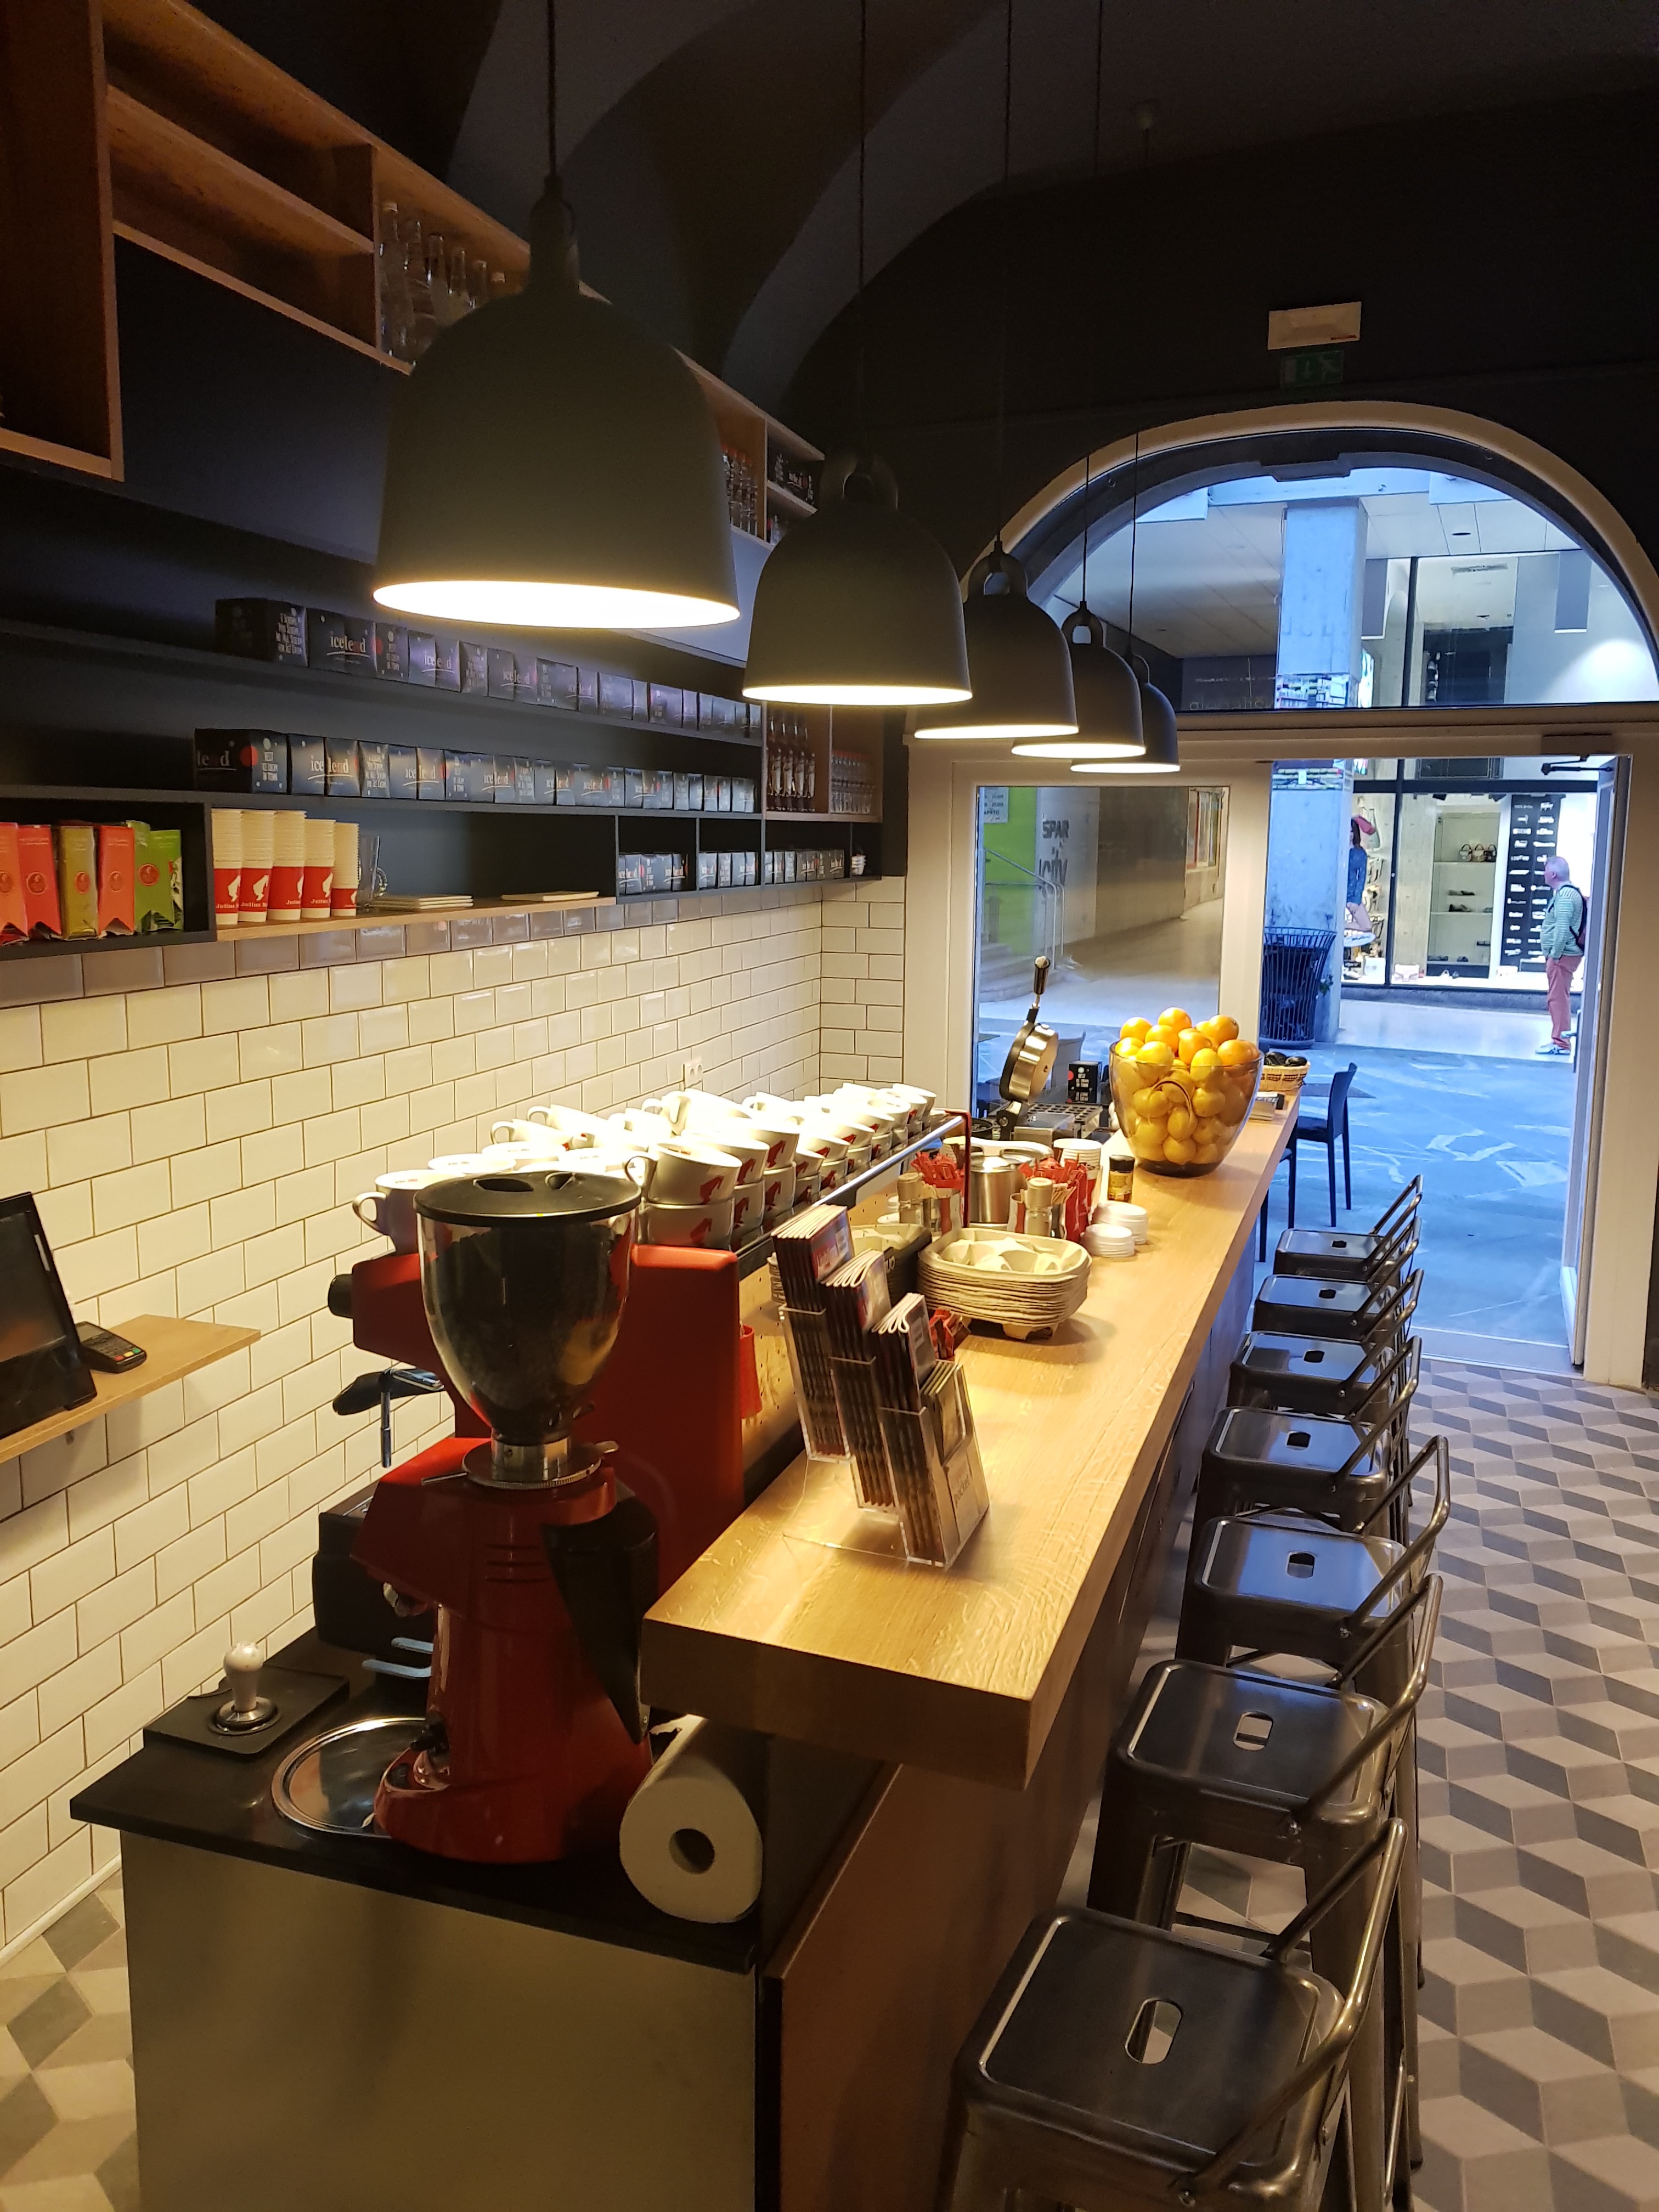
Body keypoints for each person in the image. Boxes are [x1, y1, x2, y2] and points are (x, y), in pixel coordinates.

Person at [1537, 854, 1587, 1057]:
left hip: (1562, 957)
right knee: (1559, 998)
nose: (1543, 874)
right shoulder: (1568, 893)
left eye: (1545, 870)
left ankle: (1561, 1043)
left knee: (1557, 999)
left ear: (1553, 874)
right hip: (1563, 956)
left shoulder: (1565, 895)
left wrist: (1555, 955)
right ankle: (1560, 1040)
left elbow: (1562, 928)